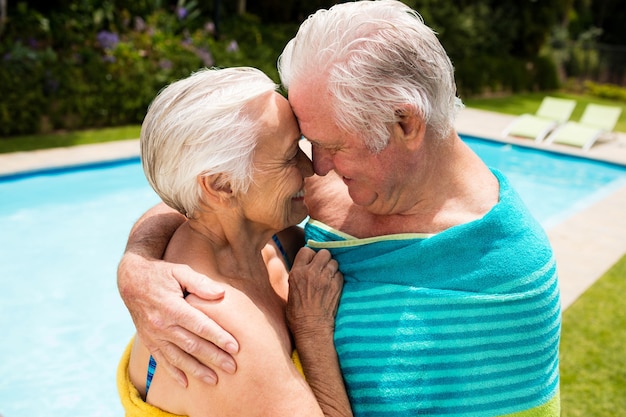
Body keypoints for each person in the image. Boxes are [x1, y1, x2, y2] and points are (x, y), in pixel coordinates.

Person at [118, 1, 561, 416]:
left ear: (405, 122)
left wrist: (311, 332)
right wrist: (136, 265)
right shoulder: (214, 325)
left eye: (330, 145)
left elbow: (208, 199)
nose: (316, 166)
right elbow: (201, 198)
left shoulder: (505, 269)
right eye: (303, 147)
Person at [116, 66, 352, 417]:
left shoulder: (269, 240)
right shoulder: (218, 335)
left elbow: (177, 206)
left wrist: (137, 256)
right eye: (290, 156)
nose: (311, 168)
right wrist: (312, 332)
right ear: (222, 186)